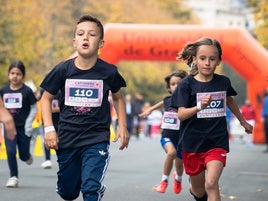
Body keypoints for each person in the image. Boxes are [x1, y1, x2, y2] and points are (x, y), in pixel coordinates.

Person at [40, 15, 129, 201]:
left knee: (90, 187)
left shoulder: (109, 71)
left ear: (101, 43)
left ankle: (94, 189)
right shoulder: (63, 70)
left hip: (96, 137)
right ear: (74, 42)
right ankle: (79, 187)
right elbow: (45, 99)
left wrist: (123, 126)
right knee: (68, 192)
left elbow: (118, 97)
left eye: (92, 34)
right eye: (80, 34)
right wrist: (49, 129)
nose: (85, 38)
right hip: (67, 138)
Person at [171, 37, 253, 201]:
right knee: (199, 191)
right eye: (202, 58)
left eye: (212, 59)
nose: (207, 63)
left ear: (218, 61)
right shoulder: (186, 85)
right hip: (192, 143)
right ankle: (196, 191)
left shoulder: (223, 82)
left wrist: (243, 121)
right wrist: (200, 107)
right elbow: (181, 115)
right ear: (195, 59)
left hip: (216, 142)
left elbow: (229, 100)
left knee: (211, 183)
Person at [140, 70, 187, 194]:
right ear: (169, 87)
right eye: (173, 84)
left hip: (182, 137)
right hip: (167, 136)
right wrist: (149, 110)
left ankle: (178, 178)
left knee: (180, 164)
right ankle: (164, 181)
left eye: (179, 83)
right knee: (171, 153)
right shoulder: (167, 100)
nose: (176, 86)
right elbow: (161, 103)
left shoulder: (188, 100)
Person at [0, 60, 37, 188]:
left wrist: (28, 124)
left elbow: (34, 108)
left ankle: (27, 156)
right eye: (12, 73)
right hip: (9, 127)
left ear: (23, 76)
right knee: (10, 151)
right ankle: (13, 177)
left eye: (18, 74)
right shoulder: (3, 90)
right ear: (8, 75)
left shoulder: (26, 91)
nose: (15, 76)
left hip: (23, 127)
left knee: (23, 155)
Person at [261, 87, 268, 153]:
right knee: (266, 132)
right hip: (266, 117)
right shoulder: (265, 98)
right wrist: (262, 116)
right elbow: (263, 108)